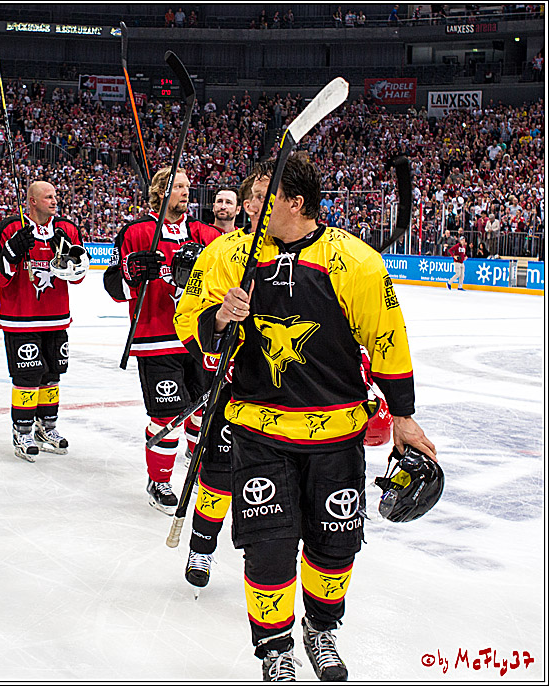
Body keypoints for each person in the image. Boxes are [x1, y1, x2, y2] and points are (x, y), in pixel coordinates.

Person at [173, 153, 436, 681]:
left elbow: (387, 336)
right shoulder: (231, 255)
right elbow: (189, 321)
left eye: (266, 198)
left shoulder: (354, 261)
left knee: (334, 550)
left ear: (296, 203)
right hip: (259, 431)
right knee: (266, 550)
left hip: (337, 437)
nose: (253, 207)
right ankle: (275, 651)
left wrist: (403, 417)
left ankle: (320, 630)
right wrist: (218, 316)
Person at [104, 167, 220, 513]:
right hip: (155, 338)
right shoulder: (137, 232)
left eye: (188, 186)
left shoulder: (205, 234)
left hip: (199, 338)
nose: (186, 192)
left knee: (204, 409)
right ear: (159, 191)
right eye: (178, 187)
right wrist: (132, 273)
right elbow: (114, 287)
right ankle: (160, 480)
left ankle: (198, 466)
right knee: (167, 415)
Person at [174, 166, 267, 595]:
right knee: (217, 472)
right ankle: (202, 545)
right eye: (264, 196)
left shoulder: (312, 252)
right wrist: (218, 324)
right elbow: (186, 316)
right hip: (233, 382)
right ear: (248, 205)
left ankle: (270, 561)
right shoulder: (217, 252)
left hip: (288, 390)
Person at [0, 181, 87, 462]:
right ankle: (23, 430)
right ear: (31, 200)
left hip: (56, 317)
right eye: (48, 197)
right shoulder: (7, 227)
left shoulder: (67, 229)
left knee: (52, 374)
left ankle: (47, 427)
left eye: (56, 195)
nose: (55, 201)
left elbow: (79, 276)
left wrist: (68, 260)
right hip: (21, 318)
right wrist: (12, 252)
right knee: (28, 376)